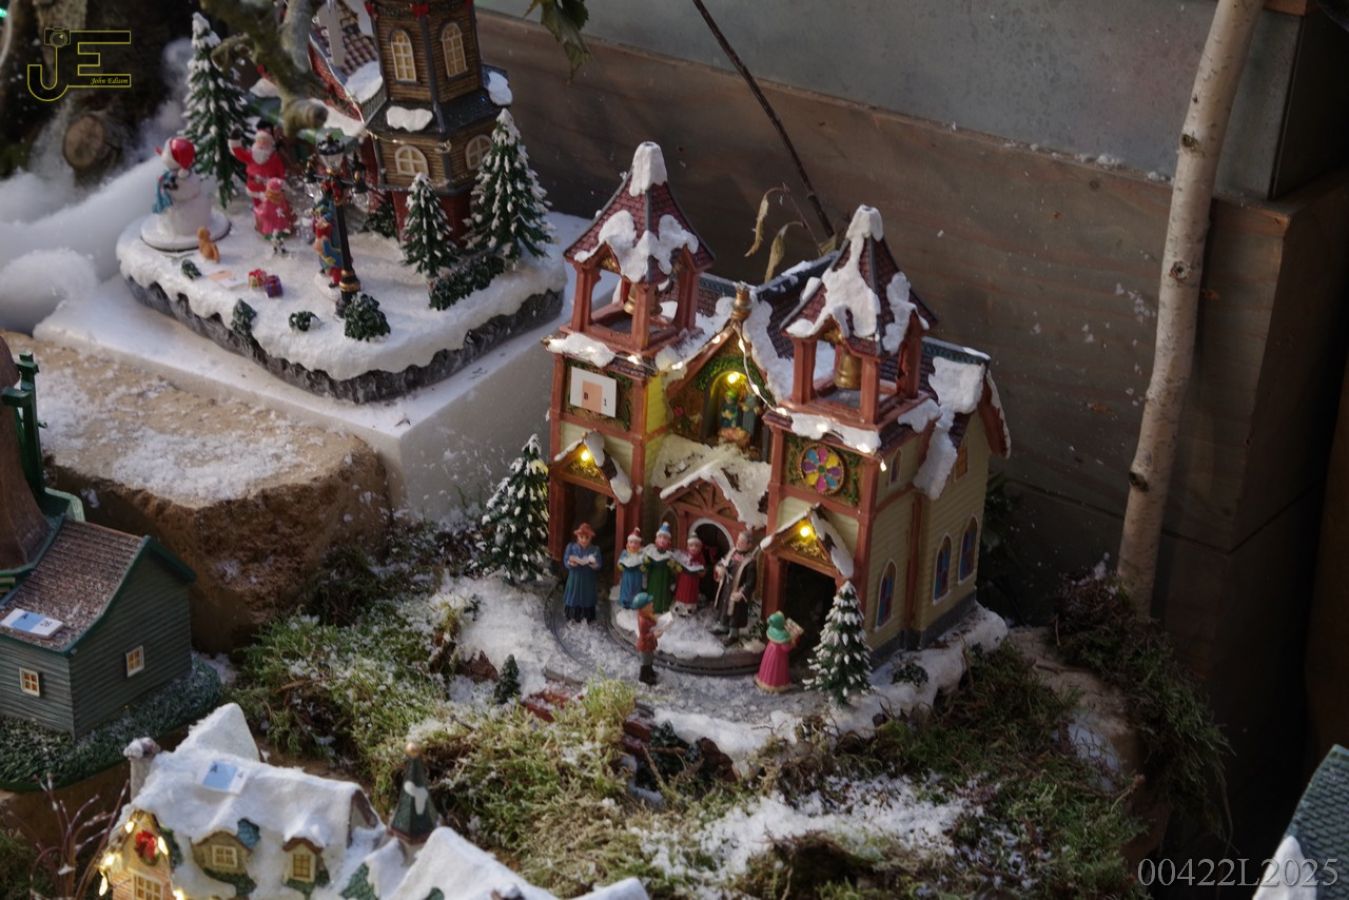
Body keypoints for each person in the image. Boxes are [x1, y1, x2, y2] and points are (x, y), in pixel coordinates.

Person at [713, 530, 758, 645]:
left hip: (737, 590)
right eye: (738, 540)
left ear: (749, 545)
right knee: (724, 607)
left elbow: (751, 582)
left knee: (735, 613)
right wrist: (720, 567)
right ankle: (723, 626)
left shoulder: (750, 562)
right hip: (727, 586)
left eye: (742, 542)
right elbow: (723, 562)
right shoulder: (732, 552)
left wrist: (742, 593)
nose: (738, 543)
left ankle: (733, 634)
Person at [563, 522, 602, 624]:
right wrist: (571, 563)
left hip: (587, 579)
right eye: (581, 537)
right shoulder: (571, 547)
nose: (584, 540)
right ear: (577, 537)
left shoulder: (595, 550)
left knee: (587, 596)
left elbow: (599, 564)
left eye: (587, 537)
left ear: (590, 538)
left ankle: (588, 615)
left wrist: (593, 563)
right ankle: (572, 614)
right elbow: (566, 560)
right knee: (573, 596)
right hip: (575, 578)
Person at [755, 612, 798, 692]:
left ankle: (764, 679)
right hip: (779, 656)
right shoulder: (783, 635)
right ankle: (775, 684)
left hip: (770, 651)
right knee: (776, 669)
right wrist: (792, 643)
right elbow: (785, 648)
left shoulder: (772, 629)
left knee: (768, 667)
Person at [643, 522, 679, 614]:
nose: (662, 540)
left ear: (669, 541)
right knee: (653, 593)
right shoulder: (652, 553)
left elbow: (674, 571)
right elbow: (646, 567)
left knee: (664, 594)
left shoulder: (670, 555)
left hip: (665, 579)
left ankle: (663, 607)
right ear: (656, 539)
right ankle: (652, 607)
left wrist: (673, 567)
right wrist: (646, 564)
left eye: (665, 538)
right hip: (654, 579)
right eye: (660, 537)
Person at [632, 592, 663, 686]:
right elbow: (644, 636)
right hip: (645, 645)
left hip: (649, 645)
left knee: (650, 659)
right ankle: (644, 677)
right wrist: (654, 635)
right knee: (645, 662)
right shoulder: (643, 621)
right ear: (643, 608)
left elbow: (653, 623)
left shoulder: (646, 615)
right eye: (649, 604)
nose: (652, 604)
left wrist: (654, 619)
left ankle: (650, 672)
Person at [673, 535, 706, 613]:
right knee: (681, 593)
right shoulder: (684, 555)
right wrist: (678, 568)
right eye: (691, 545)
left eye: (696, 546)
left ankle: (689, 608)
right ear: (688, 547)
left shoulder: (700, 557)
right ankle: (679, 606)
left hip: (693, 580)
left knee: (691, 594)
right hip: (683, 579)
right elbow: (678, 566)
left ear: (700, 548)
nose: (693, 548)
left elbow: (703, 570)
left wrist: (701, 571)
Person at [616, 529, 646, 610]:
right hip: (627, 575)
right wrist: (620, 565)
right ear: (628, 543)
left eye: (636, 543)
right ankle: (625, 601)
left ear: (639, 544)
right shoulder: (625, 553)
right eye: (631, 542)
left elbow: (644, 565)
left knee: (636, 589)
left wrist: (643, 568)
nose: (633, 545)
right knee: (626, 589)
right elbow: (620, 561)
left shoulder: (641, 554)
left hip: (637, 575)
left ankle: (635, 602)